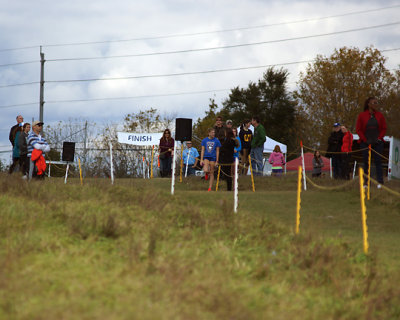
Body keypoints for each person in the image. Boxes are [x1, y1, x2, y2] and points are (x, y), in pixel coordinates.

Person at [356, 97, 387, 187]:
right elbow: (358, 129)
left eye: (377, 103)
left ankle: (380, 182)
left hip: (377, 142)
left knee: (378, 161)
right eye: (374, 103)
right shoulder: (362, 115)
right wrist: (365, 140)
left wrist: (379, 138)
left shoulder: (380, 115)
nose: (376, 105)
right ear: (369, 104)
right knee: (366, 162)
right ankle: (366, 182)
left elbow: (384, 128)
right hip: (365, 142)